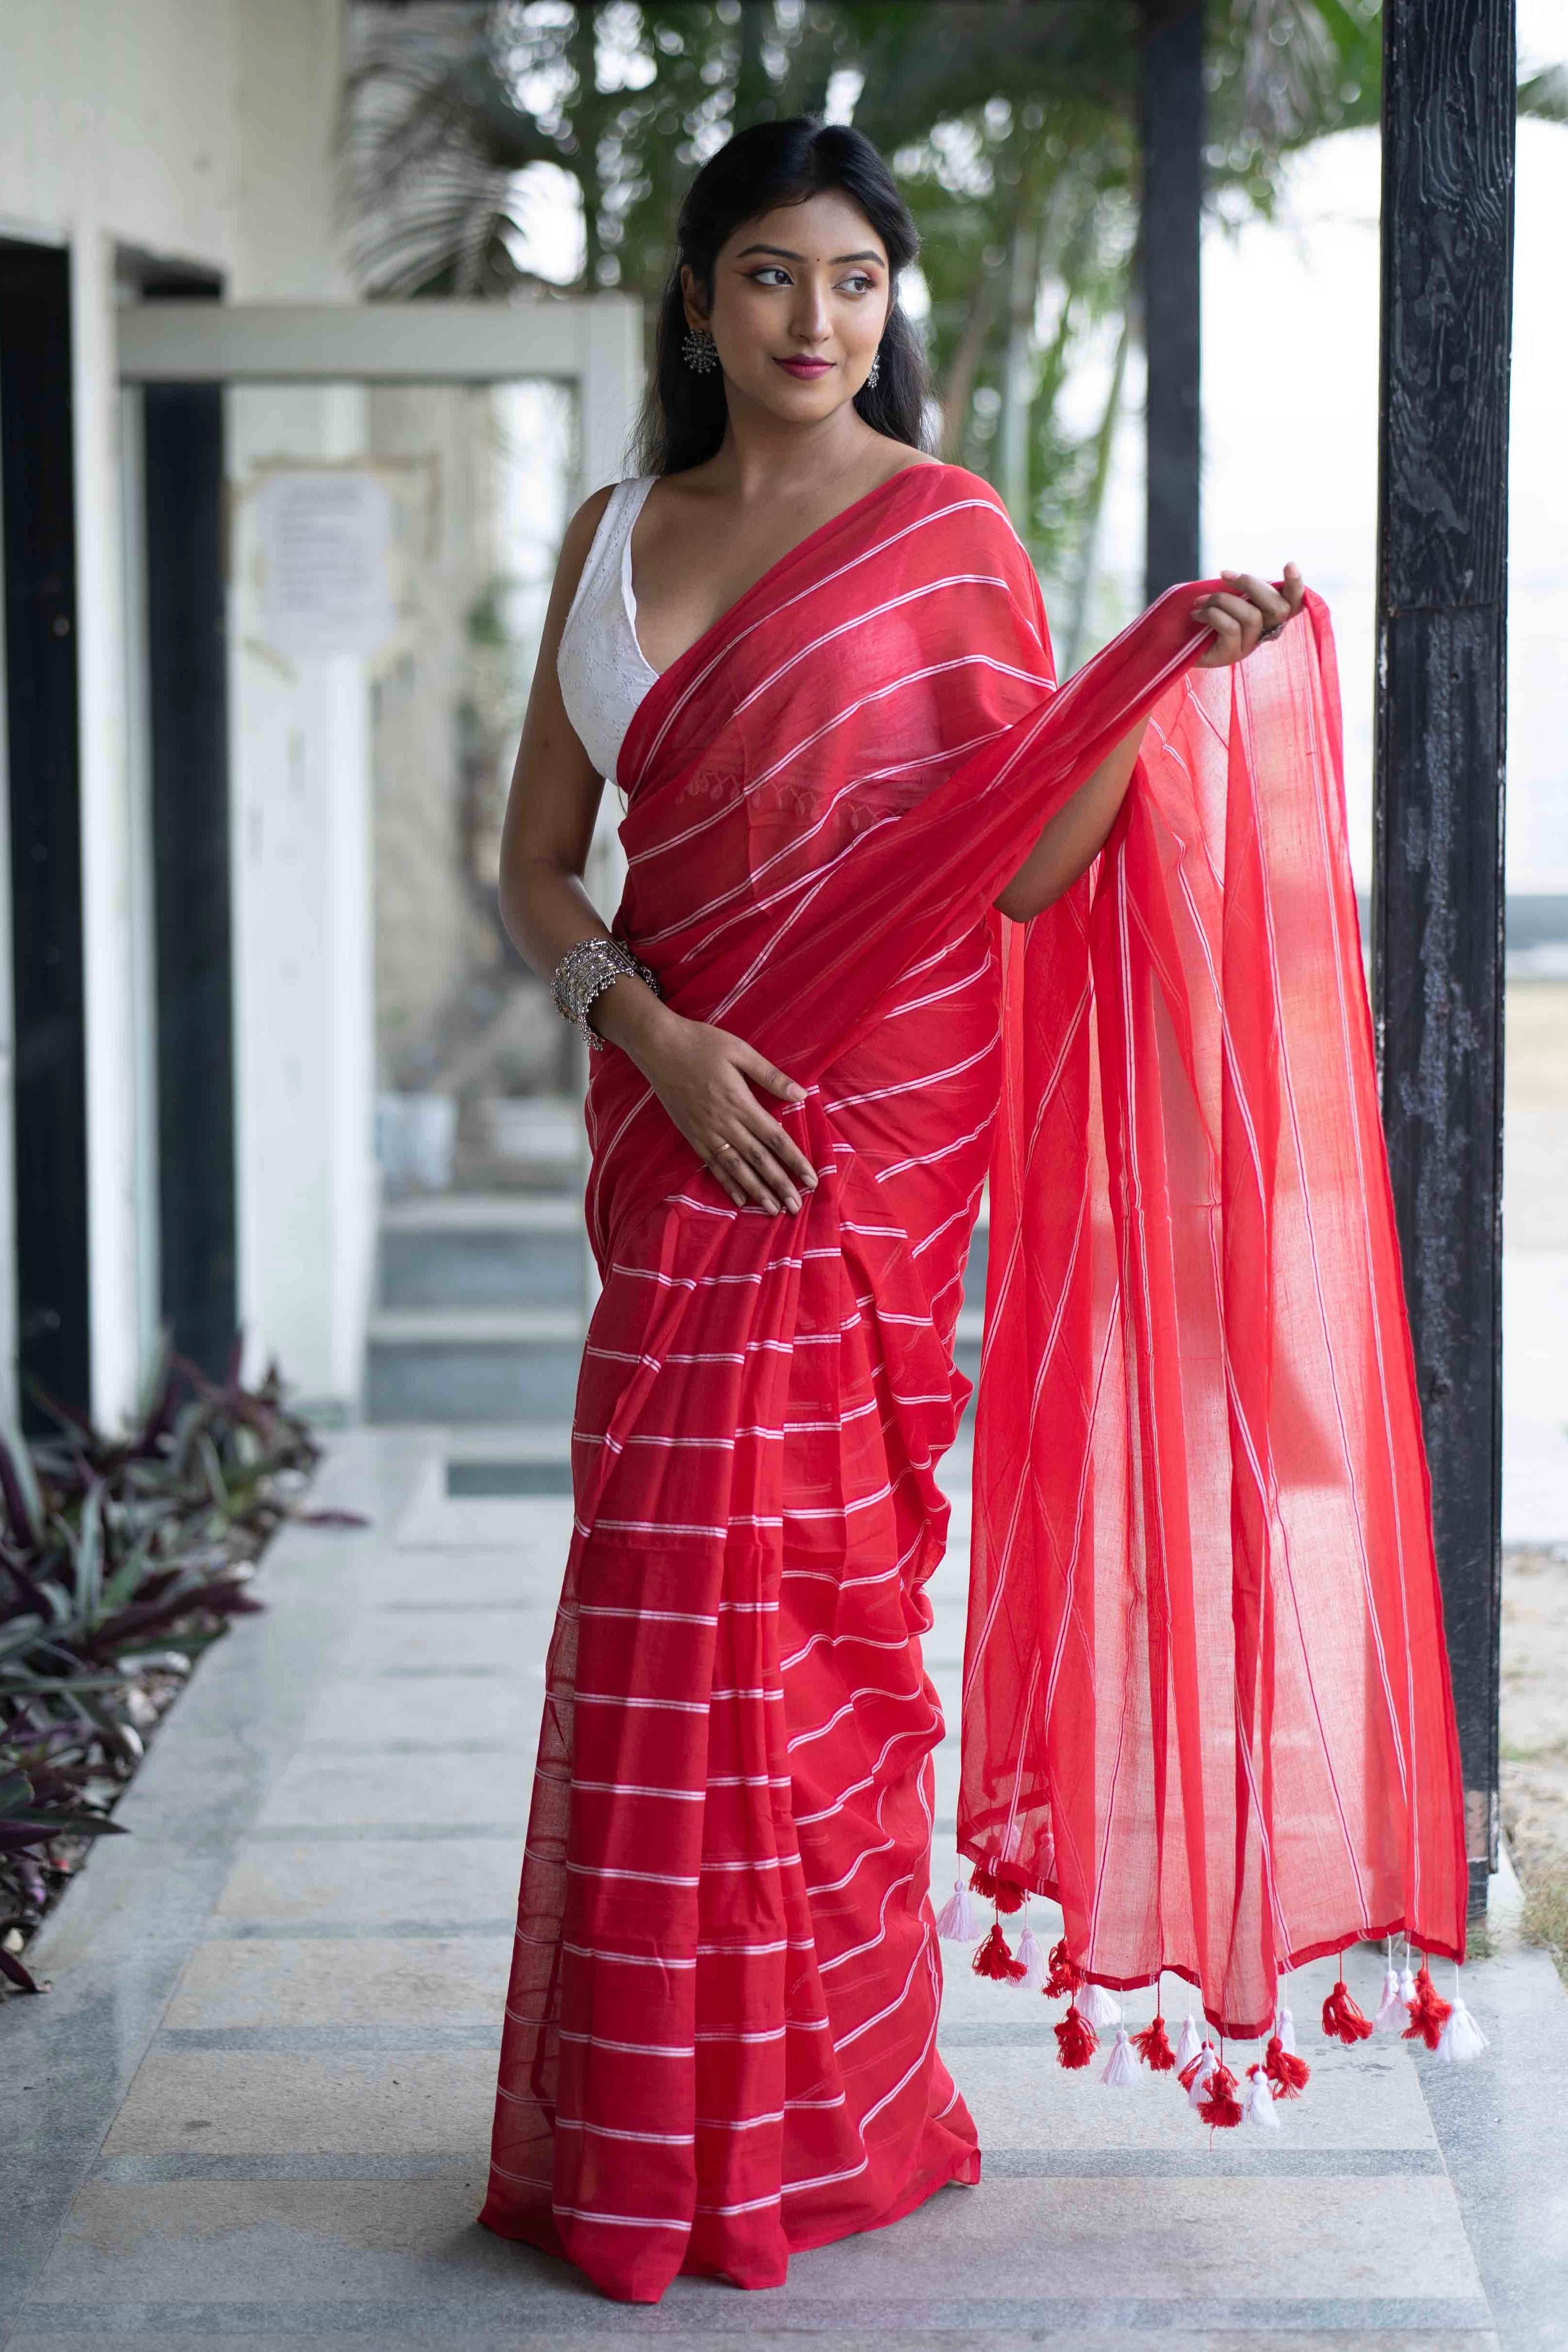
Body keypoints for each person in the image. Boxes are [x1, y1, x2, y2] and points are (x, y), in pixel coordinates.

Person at [480, 117, 1466, 2306]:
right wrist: (645, 1033)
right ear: (693, 297)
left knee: (805, 1633)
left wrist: (1145, 684)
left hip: (851, 1159)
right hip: (677, 1132)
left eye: (849, 279)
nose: (812, 320)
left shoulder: (943, 540)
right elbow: (539, 861)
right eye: (765, 275)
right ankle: (638, 2132)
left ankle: (816, 2114)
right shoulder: (606, 534)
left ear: (888, 304)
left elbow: (1016, 868)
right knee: (655, 1612)